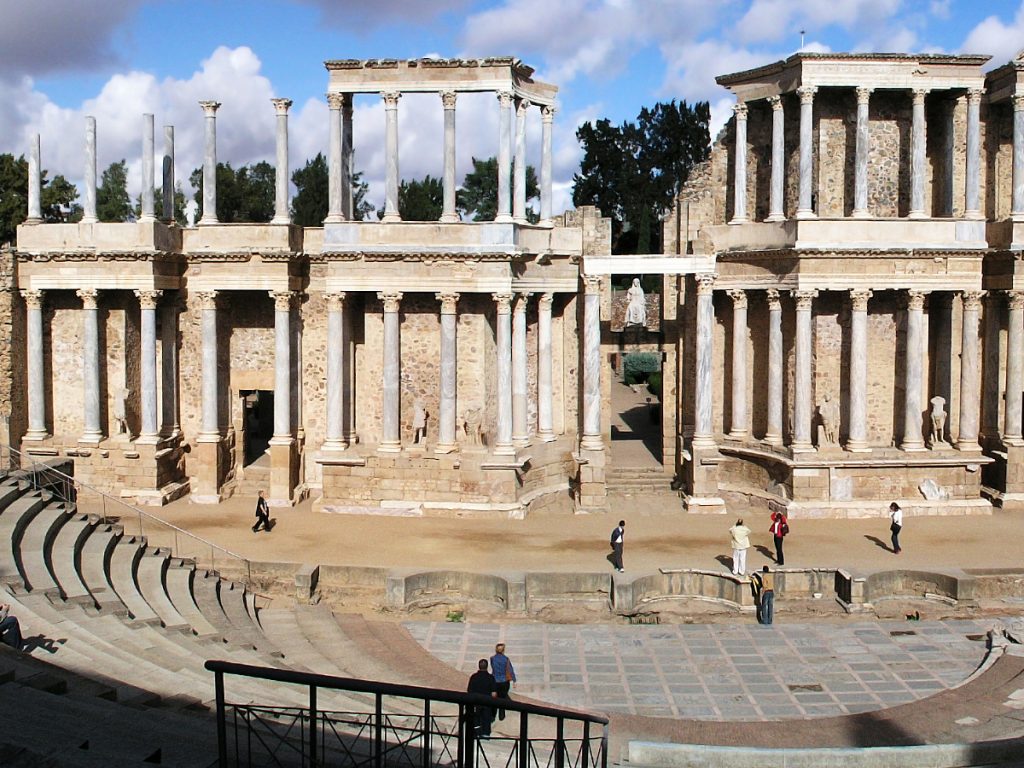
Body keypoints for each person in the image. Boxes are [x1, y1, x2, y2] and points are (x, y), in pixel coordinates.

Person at [466, 658, 497, 737]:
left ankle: (476, 733)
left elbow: (469, 690)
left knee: (476, 720)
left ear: (479, 666)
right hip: (487, 703)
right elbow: (494, 694)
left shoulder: (474, 677)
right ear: (487, 666)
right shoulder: (491, 678)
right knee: (486, 720)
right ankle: (485, 734)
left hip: (475, 703)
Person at [490, 643, 517, 721]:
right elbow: (510, 670)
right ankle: (501, 716)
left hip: (495, 680)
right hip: (504, 681)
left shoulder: (492, 658)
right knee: (502, 699)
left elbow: (493, 668)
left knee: (494, 699)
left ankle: (493, 716)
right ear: (503, 650)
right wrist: (514, 680)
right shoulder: (506, 659)